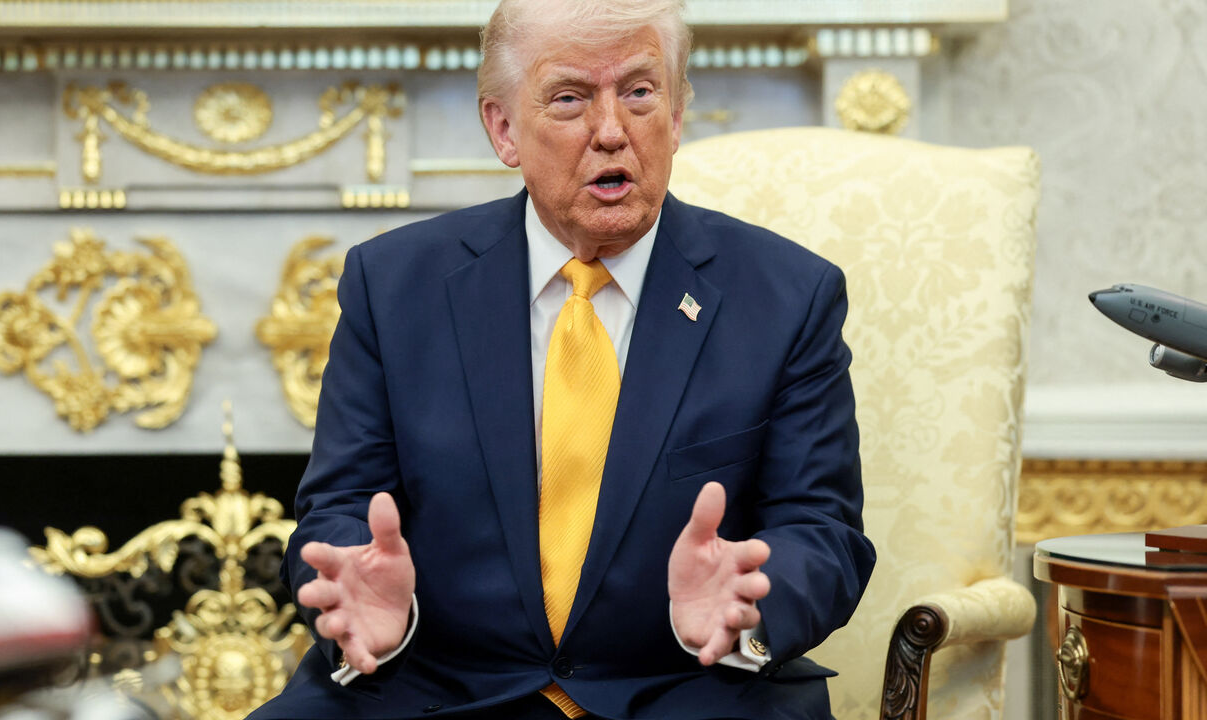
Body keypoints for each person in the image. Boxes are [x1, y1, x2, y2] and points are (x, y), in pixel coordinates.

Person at [249, 0, 874, 718]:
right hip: (438, 685)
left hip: (689, 686)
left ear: (674, 117)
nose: (612, 131)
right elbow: (340, 508)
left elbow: (822, 530)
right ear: (504, 128)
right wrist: (370, 608)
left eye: (640, 93)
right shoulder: (392, 286)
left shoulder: (787, 295)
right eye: (570, 98)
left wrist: (750, 609)